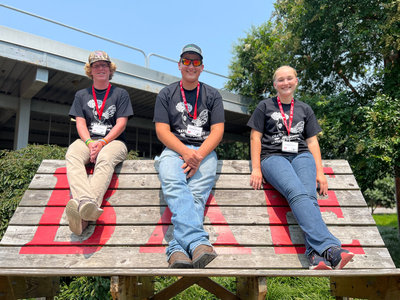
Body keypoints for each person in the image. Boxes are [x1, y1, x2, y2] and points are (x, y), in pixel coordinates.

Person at [247, 66, 354, 270]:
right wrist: (256, 168)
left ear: (296, 81)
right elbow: (255, 137)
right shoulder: (264, 106)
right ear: (274, 84)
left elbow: (312, 142)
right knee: (296, 192)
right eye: (280, 80)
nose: (285, 83)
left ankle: (315, 256)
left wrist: (320, 172)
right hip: (273, 157)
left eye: (289, 78)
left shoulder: (305, 109)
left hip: (302, 155)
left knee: (309, 196)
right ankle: (330, 248)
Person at [153, 44, 225, 268]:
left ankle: (176, 248)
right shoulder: (166, 93)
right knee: (174, 184)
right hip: (174, 150)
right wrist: (185, 153)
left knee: (196, 195)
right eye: (186, 61)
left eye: (196, 62)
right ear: (179, 65)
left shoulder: (212, 95)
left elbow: (218, 130)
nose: (191, 66)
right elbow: (162, 130)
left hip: (204, 151)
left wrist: (198, 156)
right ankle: (198, 242)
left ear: (202, 67)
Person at [65, 50, 133, 236]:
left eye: (104, 65)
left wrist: (102, 142)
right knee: (72, 154)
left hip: (114, 141)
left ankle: (86, 209)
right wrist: (88, 142)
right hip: (87, 139)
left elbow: (121, 124)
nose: (101, 68)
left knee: (105, 158)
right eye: (96, 65)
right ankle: (87, 204)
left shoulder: (121, 94)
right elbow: (80, 122)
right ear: (90, 70)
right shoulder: (81, 95)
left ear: (110, 70)